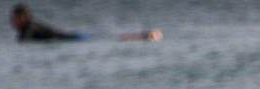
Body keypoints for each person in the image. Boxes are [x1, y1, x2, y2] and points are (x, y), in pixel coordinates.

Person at [9, 4, 162, 42]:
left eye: (15, 17)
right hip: (71, 37)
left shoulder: (29, 27)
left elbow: (24, 40)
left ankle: (146, 35)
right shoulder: (31, 26)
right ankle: (146, 35)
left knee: (114, 39)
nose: (12, 21)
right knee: (112, 38)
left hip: (70, 39)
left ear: (22, 17)